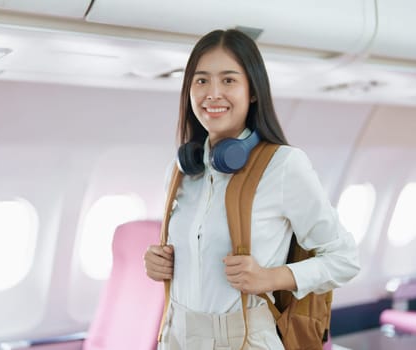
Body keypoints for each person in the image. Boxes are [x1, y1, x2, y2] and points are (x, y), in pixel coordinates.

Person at [143, 28, 360, 350]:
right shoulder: (182, 170)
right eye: (201, 81)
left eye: (228, 80)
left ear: (253, 91)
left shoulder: (284, 165)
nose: (212, 93)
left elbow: (345, 259)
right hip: (177, 334)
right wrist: (156, 262)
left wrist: (272, 278)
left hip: (245, 337)